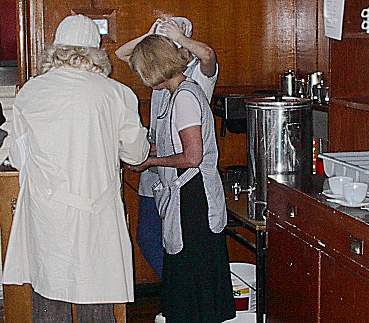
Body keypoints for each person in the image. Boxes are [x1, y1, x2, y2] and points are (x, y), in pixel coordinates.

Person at [2, 14, 149, 322]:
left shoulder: (31, 91)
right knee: (95, 300)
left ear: (55, 49)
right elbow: (136, 154)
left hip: (47, 217)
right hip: (95, 215)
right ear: (96, 52)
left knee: (48, 297)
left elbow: (17, 156)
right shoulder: (116, 94)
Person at [129, 34, 236, 323]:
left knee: (192, 281)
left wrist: (151, 161)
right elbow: (176, 147)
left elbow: (192, 157)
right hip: (188, 197)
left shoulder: (186, 97)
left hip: (193, 200)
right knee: (191, 282)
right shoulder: (177, 94)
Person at [115, 15, 218, 278]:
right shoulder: (159, 71)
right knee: (152, 238)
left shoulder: (196, 77)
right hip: (159, 172)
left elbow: (207, 53)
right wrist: (151, 36)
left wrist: (179, 38)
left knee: (180, 245)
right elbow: (122, 53)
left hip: (181, 172)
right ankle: (174, 292)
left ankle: (174, 292)